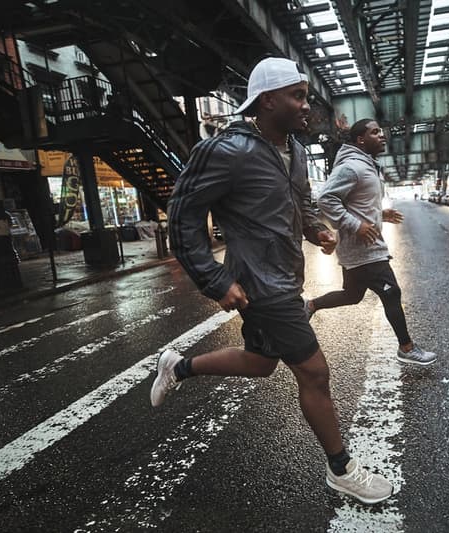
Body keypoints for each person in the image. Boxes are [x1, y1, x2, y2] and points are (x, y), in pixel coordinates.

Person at [151, 57, 393, 505]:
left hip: (285, 274)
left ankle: (178, 365)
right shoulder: (225, 150)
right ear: (267, 100)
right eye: (297, 96)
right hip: (259, 284)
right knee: (315, 373)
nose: (306, 106)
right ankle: (341, 469)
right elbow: (183, 218)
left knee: (261, 362)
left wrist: (315, 229)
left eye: (305, 96)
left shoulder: (295, 150)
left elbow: (300, 201)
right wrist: (214, 279)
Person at [304, 119, 437, 366]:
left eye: (382, 131)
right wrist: (356, 224)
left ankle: (311, 304)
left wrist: (379, 215)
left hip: (360, 249)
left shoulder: (366, 165)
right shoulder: (352, 167)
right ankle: (406, 348)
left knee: (352, 295)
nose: (382, 136)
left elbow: (356, 203)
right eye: (375, 132)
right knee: (392, 293)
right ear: (360, 140)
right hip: (364, 249)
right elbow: (326, 199)